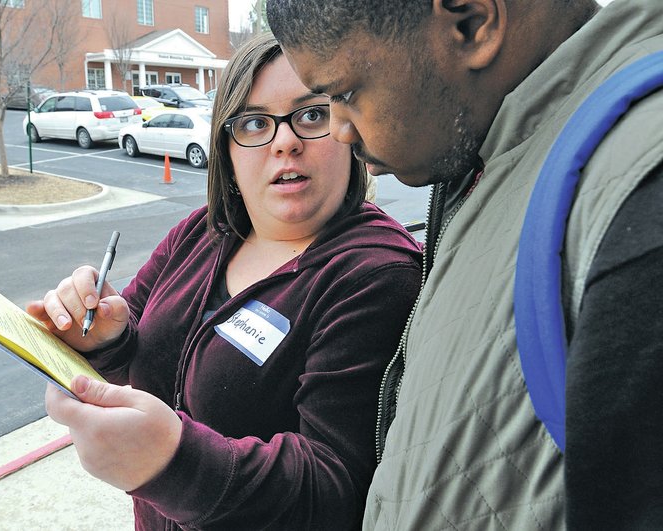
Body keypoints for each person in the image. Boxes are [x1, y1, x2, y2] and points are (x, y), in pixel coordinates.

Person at [267, 0, 663, 528]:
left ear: (472, 24)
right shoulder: (487, 144)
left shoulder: (640, 192)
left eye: (344, 95)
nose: (339, 129)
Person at [28, 33, 422, 530]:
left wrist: (173, 463)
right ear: (228, 152)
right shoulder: (202, 233)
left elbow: (338, 489)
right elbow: (134, 358)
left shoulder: (375, 275)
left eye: (312, 115)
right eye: (255, 123)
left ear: (348, 133)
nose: (285, 142)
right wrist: (107, 338)